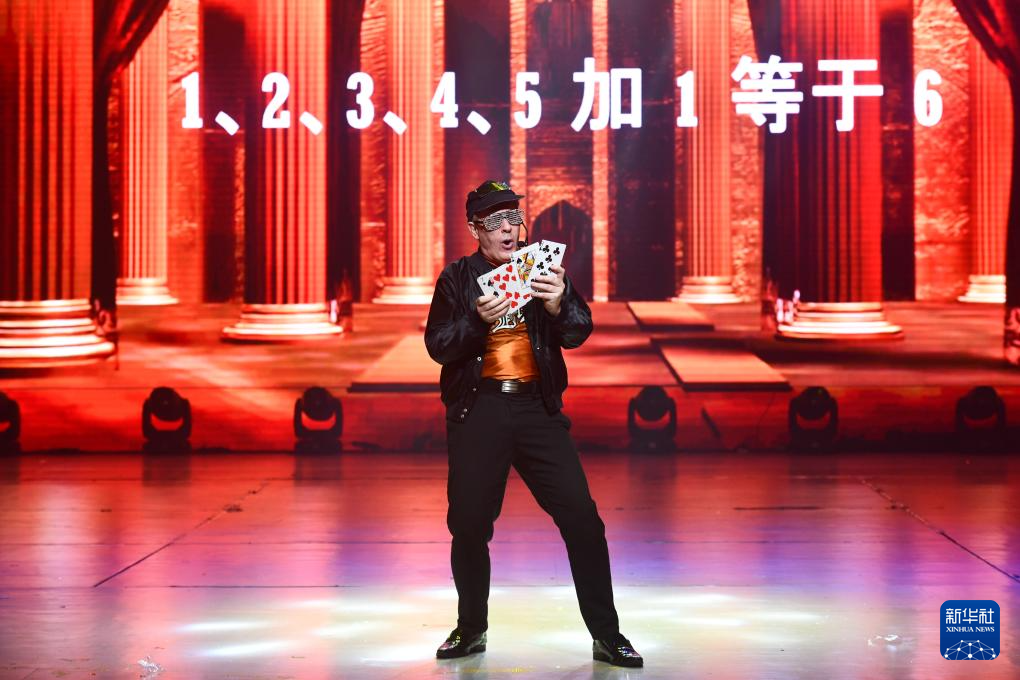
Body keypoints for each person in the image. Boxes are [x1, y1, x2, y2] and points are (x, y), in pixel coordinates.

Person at [424, 180, 643, 668]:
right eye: (495, 222)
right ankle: (471, 628)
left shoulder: (540, 267)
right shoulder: (457, 278)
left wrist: (558, 304)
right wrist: (476, 321)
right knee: (469, 525)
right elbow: (438, 345)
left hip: (536, 410)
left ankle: (607, 635)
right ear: (474, 228)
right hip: (479, 409)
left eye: (513, 219)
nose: (508, 230)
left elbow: (578, 330)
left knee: (583, 520)